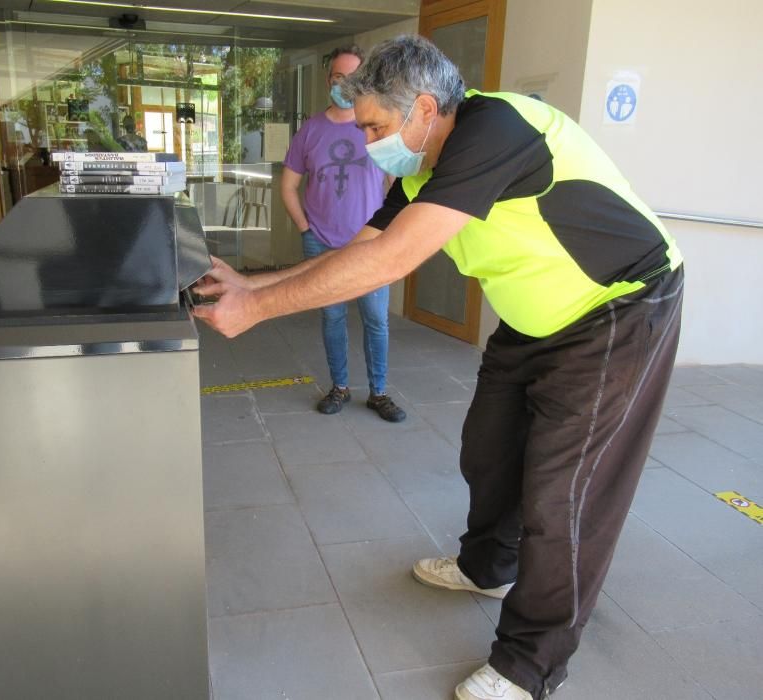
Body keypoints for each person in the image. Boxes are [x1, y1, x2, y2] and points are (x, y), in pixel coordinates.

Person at [193, 35, 684, 700]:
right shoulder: (424, 159)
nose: (368, 143)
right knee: (488, 450)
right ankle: (488, 566)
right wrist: (256, 284)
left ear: (423, 107)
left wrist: (258, 309)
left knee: (564, 496)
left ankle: (530, 664)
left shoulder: (496, 130)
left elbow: (392, 261)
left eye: (373, 126)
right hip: (536, 316)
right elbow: (355, 246)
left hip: (619, 309)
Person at [280, 45, 406, 421]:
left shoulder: (378, 127)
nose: (345, 84)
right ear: (328, 81)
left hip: (370, 245)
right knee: (332, 319)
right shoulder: (311, 130)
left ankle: (379, 393)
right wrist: (306, 230)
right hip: (321, 242)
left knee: (376, 320)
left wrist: (389, 231)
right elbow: (288, 187)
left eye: (353, 78)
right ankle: (339, 387)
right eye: (339, 77)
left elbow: (397, 185)